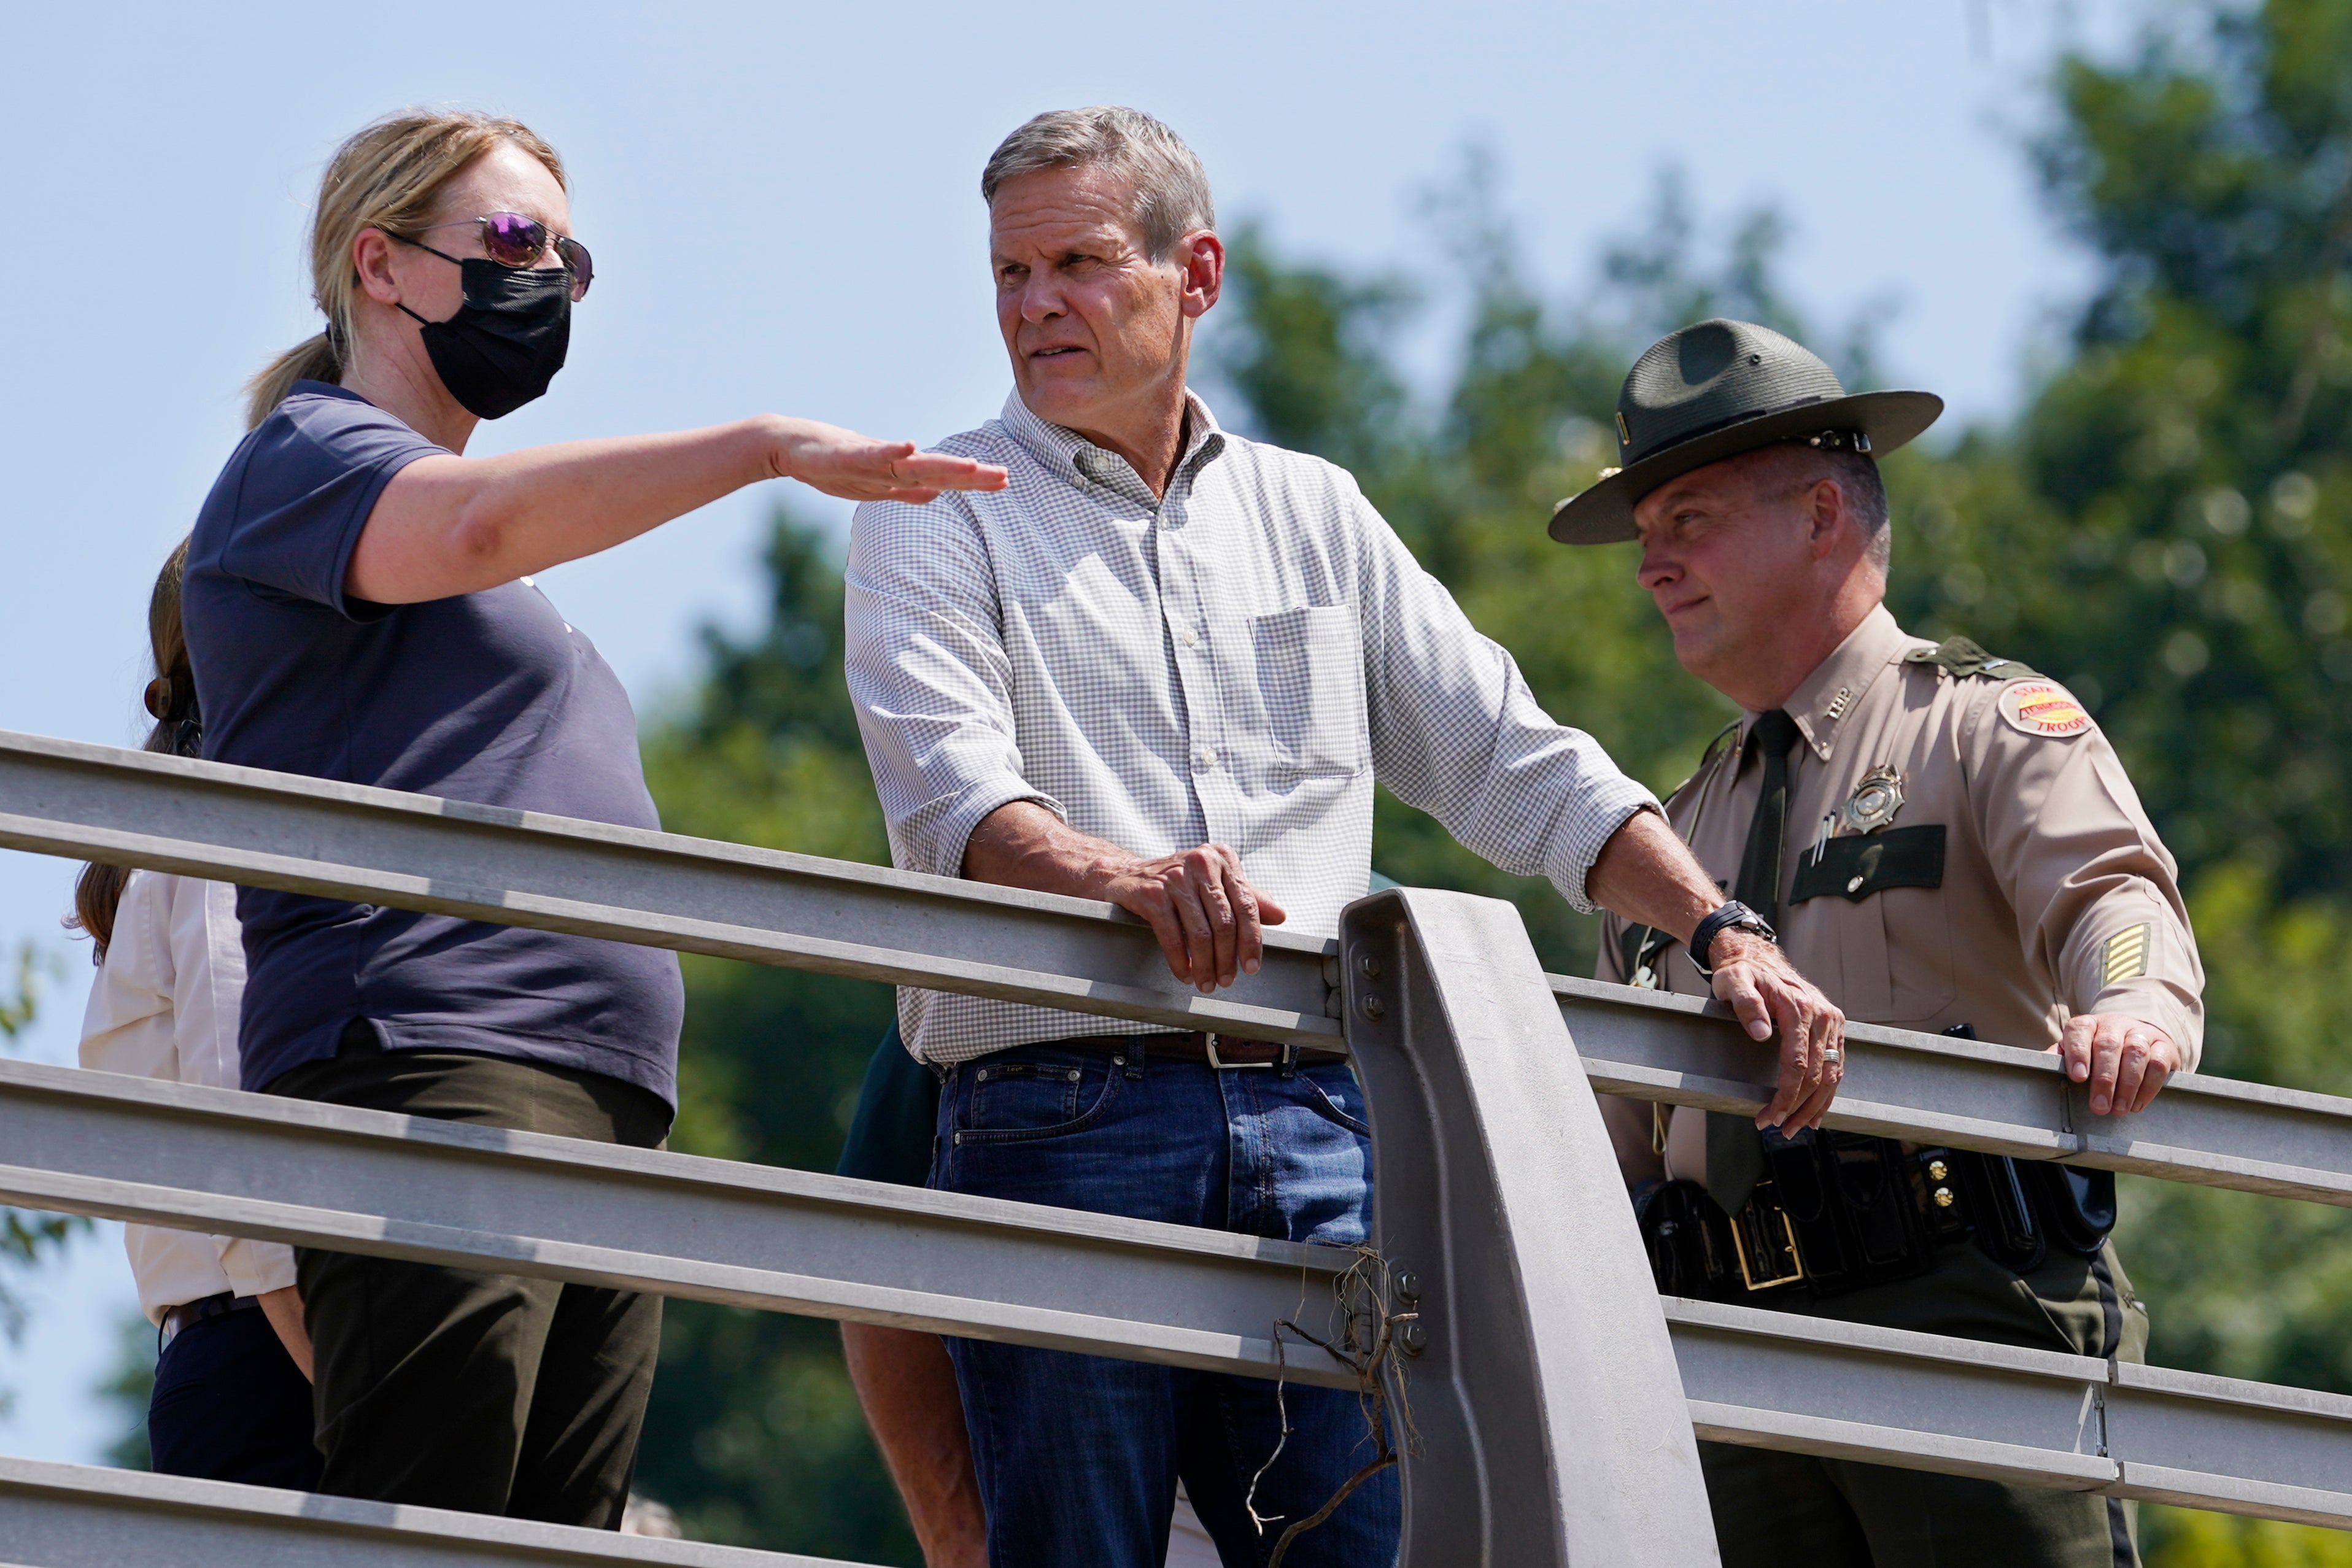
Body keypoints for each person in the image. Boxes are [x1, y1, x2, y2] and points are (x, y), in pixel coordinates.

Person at [843, 106, 1846, 1568]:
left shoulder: (1315, 514)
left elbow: (1515, 761)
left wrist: (1722, 934)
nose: (1033, 304)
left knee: (1363, 1556)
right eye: (1008, 272)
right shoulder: (932, 513)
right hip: (1051, 1115)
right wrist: (1126, 879)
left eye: (1076, 262)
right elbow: (954, 805)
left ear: (1195, 274)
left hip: (1323, 1124)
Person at [180, 107, 1003, 1528]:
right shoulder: (303, 459)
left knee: (560, 1547)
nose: (547, 278)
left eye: (569, 257)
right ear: (380, 265)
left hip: (596, 1094)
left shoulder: (483, 572)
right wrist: (759, 449)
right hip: (437, 1062)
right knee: (435, 1528)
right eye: (512, 240)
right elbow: (477, 524)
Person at [1557, 317, 2205, 1567]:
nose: (1651, 566)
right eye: (1643, 539)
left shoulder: (1978, 725)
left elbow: (2112, 901)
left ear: (1818, 514)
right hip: (1725, 1351)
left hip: (1954, 1312)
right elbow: (1615, 1136)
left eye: (1684, 520)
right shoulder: (1670, 839)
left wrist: (2133, 1018)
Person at [72, 541, 320, 1491]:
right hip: (270, 1341)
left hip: (245, 1345)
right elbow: (234, 1115)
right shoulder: (222, 831)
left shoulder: (189, 829)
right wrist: (328, 1366)